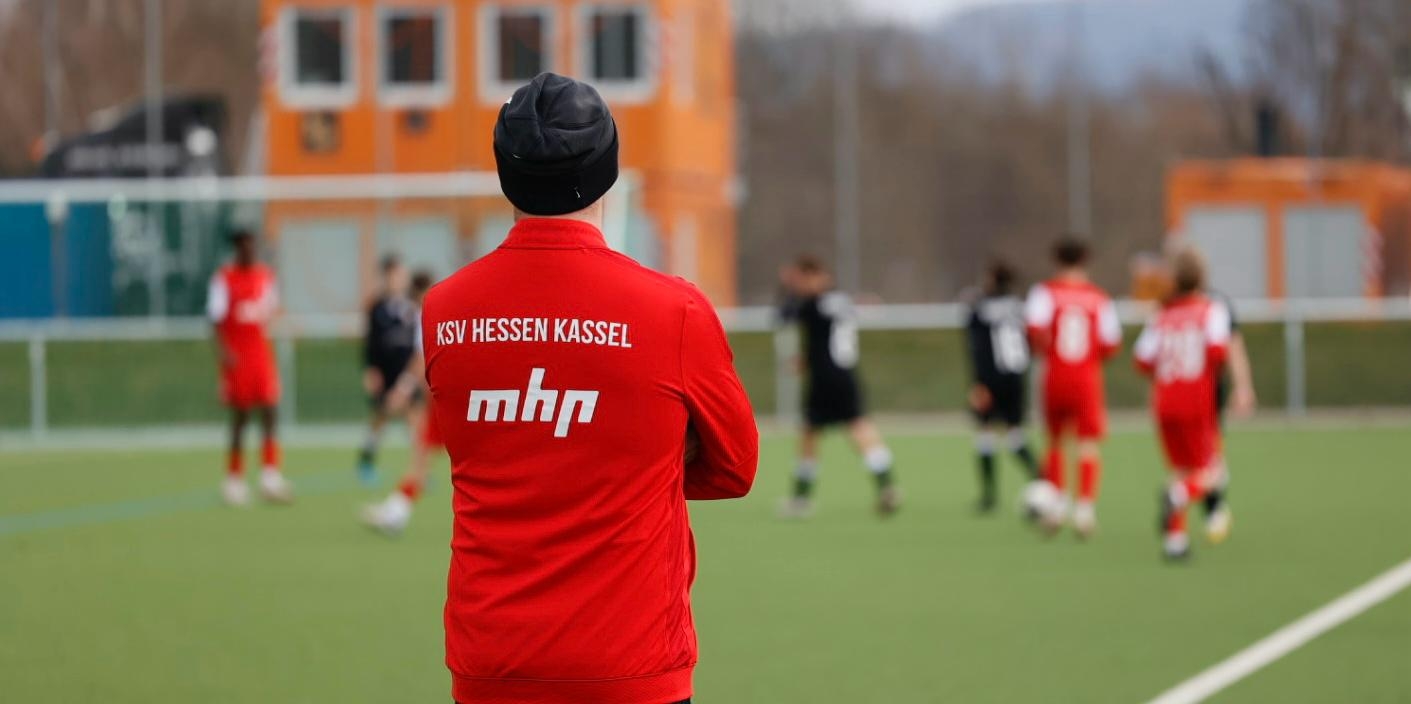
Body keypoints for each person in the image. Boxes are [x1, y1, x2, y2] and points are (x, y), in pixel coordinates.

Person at [423, 73, 757, 704]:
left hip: (492, 663)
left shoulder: (444, 310)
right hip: (632, 665)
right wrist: (637, 462)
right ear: (607, 168)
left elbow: (489, 453)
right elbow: (735, 468)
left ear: (507, 172)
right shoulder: (675, 311)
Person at [778, 255, 900, 518]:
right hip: (847, 375)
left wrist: (788, 289)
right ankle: (887, 486)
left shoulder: (812, 303)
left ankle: (800, 499)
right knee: (860, 428)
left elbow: (783, 316)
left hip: (824, 378)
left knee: (809, 435)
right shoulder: (842, 301)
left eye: (801, 279)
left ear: (811, 276)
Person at [1133, 246, 1232, 560]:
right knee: (1211, 472)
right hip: (1196, 402)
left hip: (1164, 402)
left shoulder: (1161, 315)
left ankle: (1175, 542)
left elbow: (1142, 359)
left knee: (1180, 468)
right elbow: (1218, 352)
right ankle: (1179, 496)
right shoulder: (1211, 310)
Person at [1025, 236, 1120, 538]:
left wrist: (1047, 349)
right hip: (1087, 377)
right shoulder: (1098, 297)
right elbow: (1110, 343)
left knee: (1055, 441)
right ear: (1085, 261)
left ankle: (1056, 508)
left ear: (1056, 260)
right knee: (1087, 444)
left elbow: (1033, 331)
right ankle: (1084, 511)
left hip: (1054, 374)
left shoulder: (1044, 292)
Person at [207, 229, 293, 507]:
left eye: (253, 245)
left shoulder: (265, 277)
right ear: (237, 248)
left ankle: (270, 475)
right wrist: (224, 354)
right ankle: (234, 479)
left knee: (270, 410)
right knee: (241, 417)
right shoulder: (224, 279)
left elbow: (271, 311)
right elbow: (215, 320)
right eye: (245, 246)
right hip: (237, 357)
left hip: (260, 355)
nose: (250, 250)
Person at [361, 270, 440, 535]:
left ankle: (396, 512)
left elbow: (420, 360)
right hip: (446, 399)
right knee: (422, 457)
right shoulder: (423, 314)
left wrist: (403, 389)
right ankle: (396, 511)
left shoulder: (427, 315)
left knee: (423, 457)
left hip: (450, 401)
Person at [964, 259, 1040, 514]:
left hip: (991, 377)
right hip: (1016, 375)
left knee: (985, 434)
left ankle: (989, 496)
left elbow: (978, 349)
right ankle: (1043, 480)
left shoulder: (980, 308)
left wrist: (978, 383)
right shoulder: (1020, 306)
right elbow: (1031, 341)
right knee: (1015, 433)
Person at [355, 254, 419, 485]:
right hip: (386, 371)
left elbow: (418, 343)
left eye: (401, 275)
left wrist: (411, 378)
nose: (398, 279)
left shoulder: (413, 306)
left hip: (408, 371)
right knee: (381, 417)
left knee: (414, 420)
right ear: (386, 277)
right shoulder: (377, 308)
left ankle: (418, 470)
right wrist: (371, 370)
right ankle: (366, 460)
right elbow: (370, 341)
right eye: (394, 275)